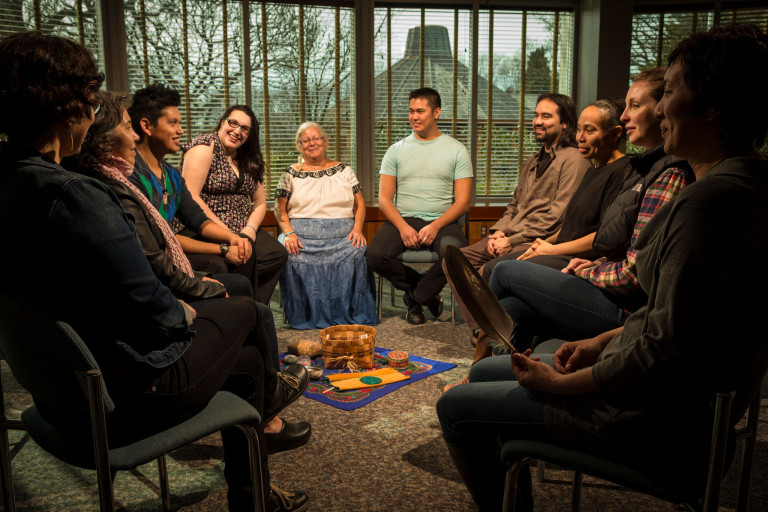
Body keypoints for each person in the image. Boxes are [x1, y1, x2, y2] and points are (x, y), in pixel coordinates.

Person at [437, 23, 768, 511]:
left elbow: (664, 351)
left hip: (648, 417)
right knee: (491, 369)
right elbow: (675, 320)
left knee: (454, 407)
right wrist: (599, 342)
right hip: (652, 387)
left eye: (668, 93)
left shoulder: (706, 206)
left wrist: (564, 384)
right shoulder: (750, 185)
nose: (654, 110)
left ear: (713, 107)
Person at [0, 32, 308, 512]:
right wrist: (188, 307)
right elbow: (156, 311)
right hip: (124, 395)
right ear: (67, 111)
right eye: (91, 104)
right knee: (244, 308)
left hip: (54, 391)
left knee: (245, 361)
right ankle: (267, 424)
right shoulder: (79, 195)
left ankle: (255, 489)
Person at [63, 90, 309, 456]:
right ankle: (271, 398)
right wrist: (197, 288)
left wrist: (235, 238)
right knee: (250, 308)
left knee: (244, 283)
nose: (182, 130)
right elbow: (155, 266)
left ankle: (263, 433)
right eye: (128, 128)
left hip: (157, 301)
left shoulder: (159, 176)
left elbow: (193, 215)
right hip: (146, 361)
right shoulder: (118, 186)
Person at [482, 68, 695, 349]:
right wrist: (589, 262)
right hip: (600, 270)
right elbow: (616, 242)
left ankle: (485, 352)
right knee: (510, 306)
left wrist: (584, 267)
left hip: (626, 308)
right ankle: (493, 368)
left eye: (636, 105)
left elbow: (631, 271)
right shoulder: (639, 169)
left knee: (503, 271)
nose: (624, 115)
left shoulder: (665, 173)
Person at [481, 99, 630, 276]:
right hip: (559, 247)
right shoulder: (594, 168)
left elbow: (602, 237)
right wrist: (541, 243)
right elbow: (571, 227)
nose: (580, 137)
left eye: (589, 130)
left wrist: (551, 249)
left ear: (615, 134)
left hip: (577, 257)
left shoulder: (622, 170)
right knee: (492, 273)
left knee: (496, 270)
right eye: (579, 129)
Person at [366, 87, 473, 325]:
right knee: (374, 256)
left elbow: (463, 201)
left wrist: (435, 226)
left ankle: (417, 297)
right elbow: (384, 199)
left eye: (420, 111)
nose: (414, 116)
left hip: (443, 220)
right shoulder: (396, 150)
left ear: (436, 113)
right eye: (411, 111)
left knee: (455, 255)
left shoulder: (457, 150)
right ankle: (427, 294)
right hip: (404, 218)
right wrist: (403, 227)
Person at [179, 104, 288, 304]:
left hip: (241, 225)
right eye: (233, 123)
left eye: (245, 128)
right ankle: (243, 309)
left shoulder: (248, 156)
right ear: (223, 121)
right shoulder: (205, 148)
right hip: (205, 225)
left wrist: (250, 230)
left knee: (276, 254)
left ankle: (255, 305)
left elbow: (260, 202)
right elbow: (191, 197)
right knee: (245, 255)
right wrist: (227, 234)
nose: (237, 131)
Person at [275, 122, 378, 329]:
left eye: (316, 138)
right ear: (299, 145)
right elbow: (280, 210)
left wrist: (357, 229)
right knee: (292, 254)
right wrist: (289, 233)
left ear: (325, 141)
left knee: (357, 251)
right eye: (306, 140)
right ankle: (306, 314)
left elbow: (360, 205)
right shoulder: (290, 173)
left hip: (343, 235)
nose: (311, 143)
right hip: (302, 236)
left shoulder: (344, 170)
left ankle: (349, 313)